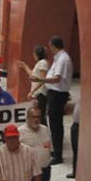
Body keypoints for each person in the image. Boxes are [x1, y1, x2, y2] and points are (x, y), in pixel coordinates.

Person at [30, 35, 73, 165]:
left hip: (58, 94)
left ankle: (58, 155)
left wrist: (40, 80)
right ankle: (56, 151)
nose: (50, 49)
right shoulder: (59, 58)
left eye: (50, 46)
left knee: (56, 124)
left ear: (54, 46)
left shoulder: (63, 59)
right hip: (54, 93)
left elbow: (57, 78)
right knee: (53, 123)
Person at [17, 44, 49, 123]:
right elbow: (32, 74)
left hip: (40, 93)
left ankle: (43, 133)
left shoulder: (43, 63)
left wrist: (32, 91)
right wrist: (24, 66)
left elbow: (42, 79)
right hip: (37, 93)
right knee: (37, 115)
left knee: (40, 116)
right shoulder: (39, 63)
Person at [68, 99, 80, 179]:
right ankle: (75, 171)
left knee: (80, 150)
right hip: (75, 125)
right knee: (75, 149)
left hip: (83, 125)